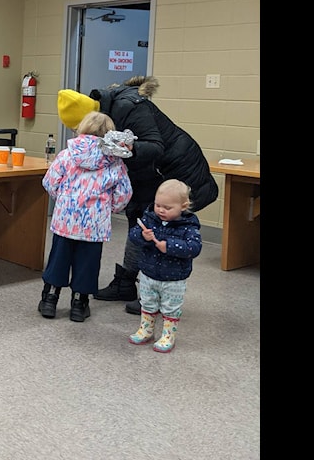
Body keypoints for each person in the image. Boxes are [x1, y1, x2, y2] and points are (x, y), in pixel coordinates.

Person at [57, 75, 218, 315]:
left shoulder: (130, 106)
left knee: (161, 228)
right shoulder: (109, 109)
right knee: (139, 220)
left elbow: (155, 146)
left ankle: (153, 292)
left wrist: (130, 149)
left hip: (175, 171)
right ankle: (125, 283)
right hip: (149, 172)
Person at [39, 112, 133, 322]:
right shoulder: (115, 161)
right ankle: (79, 304)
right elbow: (124, 194)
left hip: (65, 219)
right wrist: (109, 209)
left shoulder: (67, 154)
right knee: (88, 263)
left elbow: (49, 182)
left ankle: (49, 300)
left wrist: (64, 199)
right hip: (95, 223)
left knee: (58, 258)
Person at [127, 179, 202, 353]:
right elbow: (133, 235)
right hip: (148, 272)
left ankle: (168, 335)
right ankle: (146, 330)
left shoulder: (188, 226)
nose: (161, 210)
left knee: (170, 308)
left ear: (183, 206)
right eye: (158, 205)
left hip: (174, 278)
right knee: (147, 303)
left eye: (167, 208)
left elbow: (194, 248)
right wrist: (142, 236)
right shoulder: (150, 218)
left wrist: (169, 246)